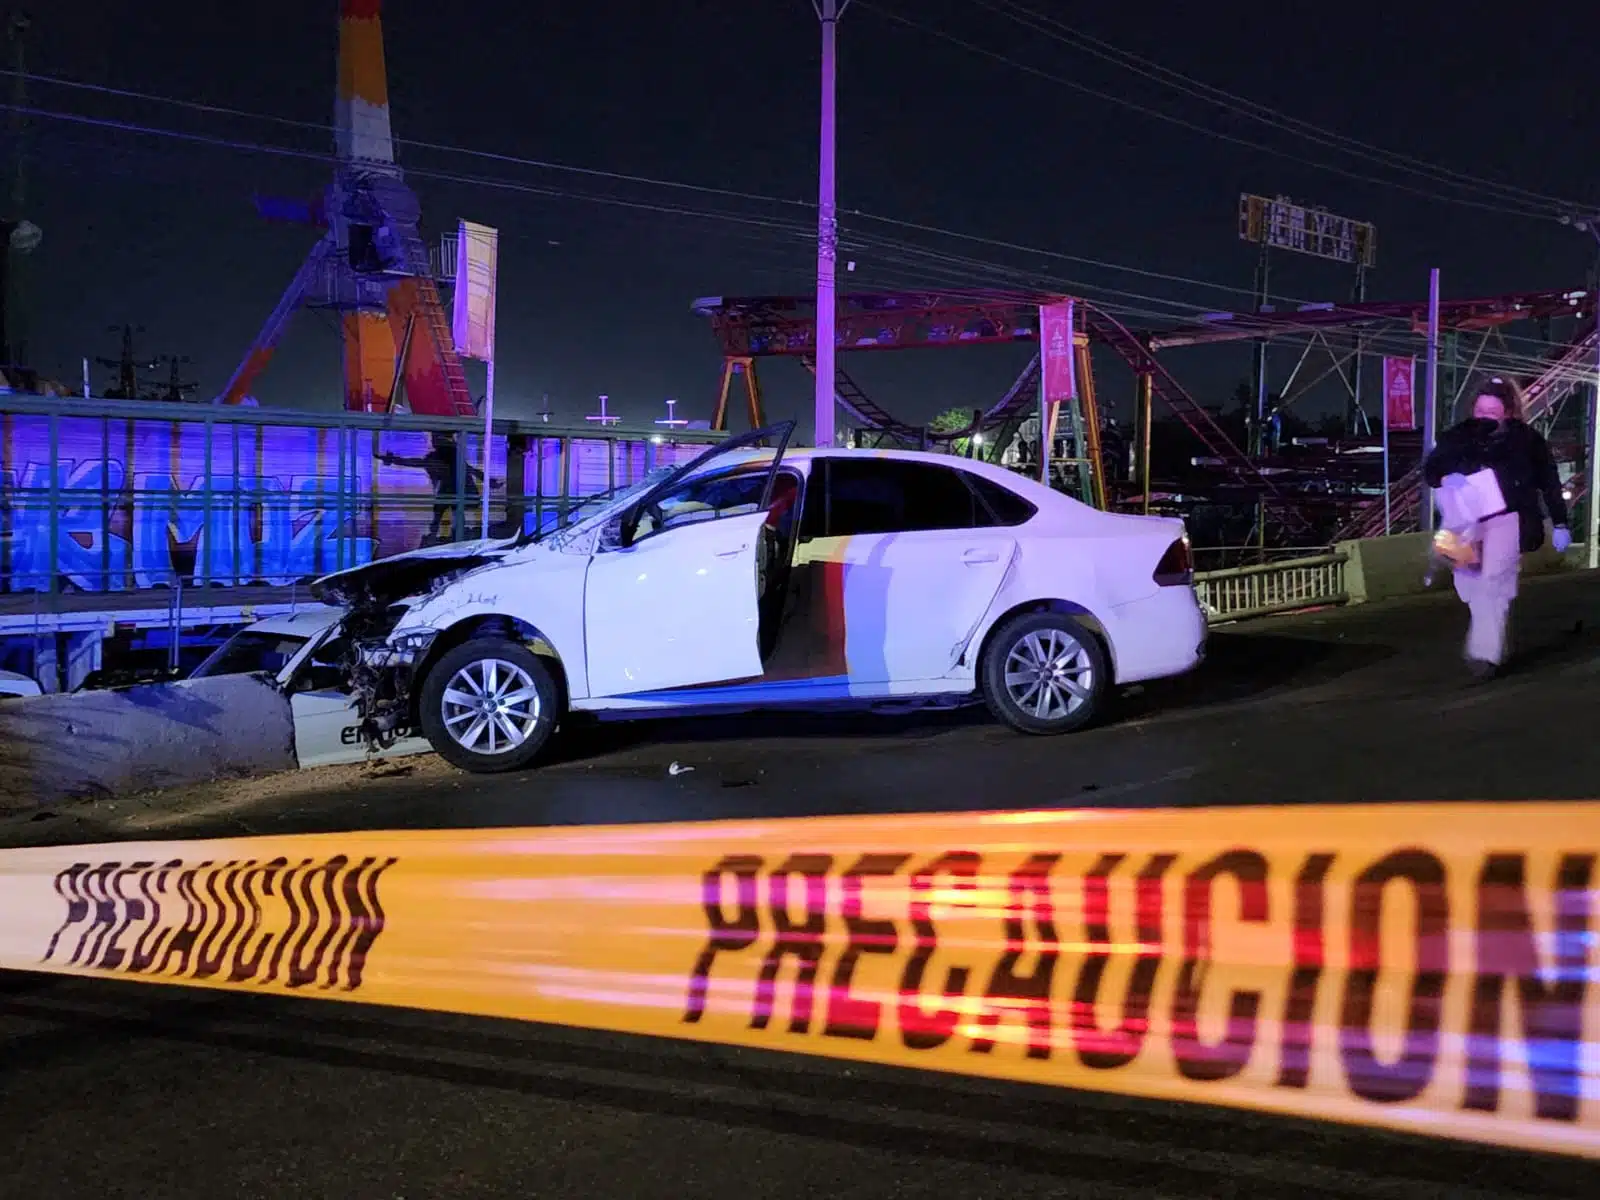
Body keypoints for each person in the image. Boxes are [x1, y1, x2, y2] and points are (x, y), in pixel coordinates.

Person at [1422, 376, 1571, 679]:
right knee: (1470, 587)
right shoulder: (1458, 436)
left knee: (1493, 581)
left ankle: (1484, 653)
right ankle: (1489, 634)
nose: (1484, 418)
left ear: (1508, 412)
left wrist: (1560, 523)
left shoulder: (1527, 440)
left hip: (1508, 518)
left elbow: (1549, 482)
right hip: (1464, 519)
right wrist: (1446, 478)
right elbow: (1432, 468)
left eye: (1492, 412)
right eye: (1480, 411)